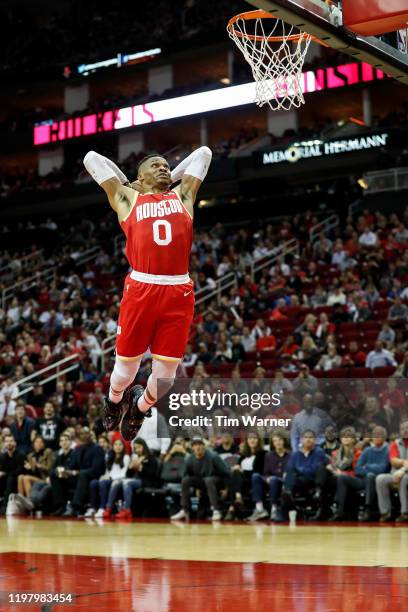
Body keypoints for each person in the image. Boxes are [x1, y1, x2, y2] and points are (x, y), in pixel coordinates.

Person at [83, 146, 212, 441]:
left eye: (166, 165)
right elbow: (92, 157)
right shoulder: (128, 198)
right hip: (142, 286)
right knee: (126, 370)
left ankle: (140, 408)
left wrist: (168, 179)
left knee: (166, 378)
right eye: (155, 165)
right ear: (140, 176)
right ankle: (115, 401)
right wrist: (133, 185)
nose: (164, 168)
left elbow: (204, 153)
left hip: (178, 289)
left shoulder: (183, 195)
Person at [171, 437, 230, 521]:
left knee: (208, 480)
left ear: (204, 446)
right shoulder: (189, 459)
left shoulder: (213, 456)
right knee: (185, 480)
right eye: (195, 445)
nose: (198, 447)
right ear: (192, 448)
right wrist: (197, 488)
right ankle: (184, 510)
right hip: (203, 482)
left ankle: (216, 510)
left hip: (218, 481)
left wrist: (226, 488)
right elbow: (187, 475)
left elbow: (226, 473)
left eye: (200, 444)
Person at [112, 438, 160, 520]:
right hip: (136, 480)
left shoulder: (151, 458)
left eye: (139, 447)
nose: (137, 449)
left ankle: (127, 509)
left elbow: (152, 473)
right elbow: (128, 475)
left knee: (127, 483)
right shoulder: (135, 458)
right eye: (135, 448)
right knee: (117, 483)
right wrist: (130, 467)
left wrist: (140, 468)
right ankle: (110, 508)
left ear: (144, 447)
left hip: (147, 481)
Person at [62, 427, 105, 517]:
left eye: (86, 433)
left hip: (94, 475)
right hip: (81, 476)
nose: (84, 436)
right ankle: (59, 506)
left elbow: (97, 469)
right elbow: (71, 465)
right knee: (55, 475)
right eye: (82, 434)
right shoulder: (78, 449)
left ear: (90, 435)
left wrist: (78, 472)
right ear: (79, 436)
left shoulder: (97, 448)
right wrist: (64, 471)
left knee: (82, 474)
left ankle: (75, 506)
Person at [251, 432, 291, 521]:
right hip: (271, 479)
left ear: (284, 441)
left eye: (280, 440)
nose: (278, 443)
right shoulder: (269, 455)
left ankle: (274, 508)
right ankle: (259, 508)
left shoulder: (290, 455)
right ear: (273, 443)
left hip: (283, 481)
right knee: (255, 476)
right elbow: (266, 472)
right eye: (275, 441)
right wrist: (267, 478)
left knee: (273, 479)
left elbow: (291, 472)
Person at [225, 432, 266, 521]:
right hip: (242, 482)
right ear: (247, 441)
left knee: (236, 476)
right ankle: (237, 499)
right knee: (234, 473)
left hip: (254, 481)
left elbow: (259, 471)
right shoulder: (243, 455)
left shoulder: (263, 454)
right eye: (250, 438)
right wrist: (237, 468)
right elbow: (238, 467)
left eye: (255, 438)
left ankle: (232, 509)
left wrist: (242, 471)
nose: (252, 440)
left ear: (259, 440)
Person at [282, 430, 327, 510]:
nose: (308, 439)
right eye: (305, 437)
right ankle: (288, 494)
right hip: (298, 480)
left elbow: (314, 470)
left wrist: (299, 470)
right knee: (290, 474)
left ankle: (288, 493)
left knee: (294, 475)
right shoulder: (295, 454)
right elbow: (289, 469)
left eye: (310, 437)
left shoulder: (319, 452)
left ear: (315, 440)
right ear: (301, 440)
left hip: (312, 480)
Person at [86, 438, 130, 518]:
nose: (118, 446)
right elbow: (108, 471)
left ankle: (102, 508)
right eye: (116, 445)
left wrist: (109, 477)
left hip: (119, 480)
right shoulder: (110, 456)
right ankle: (92, 508)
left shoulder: (126, 457)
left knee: (102, 483)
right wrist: (104, 476)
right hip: (110, 478)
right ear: (112, 446)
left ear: (123, 447)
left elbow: (123, 473)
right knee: (93, 483)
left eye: (120, 445)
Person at [376, 420, 408, 523]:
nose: (405, 431)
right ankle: (386, 513)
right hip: (395, 474)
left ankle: (405, 513)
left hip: (405, 475)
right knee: (380, 478)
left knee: (404, 479)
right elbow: (393, 461)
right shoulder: (395, 443)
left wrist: (403, 470)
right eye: (402, 429)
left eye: (407, 428)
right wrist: (404, 463)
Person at [356, 427, 390, 521]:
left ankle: (368, 509)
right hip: (365, 479)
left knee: (370, 476)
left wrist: (367, 466)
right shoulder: (367, 450)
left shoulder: (388, 450)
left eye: (380, 435)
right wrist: (371, 468)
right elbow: (357, 468)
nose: (377, 437)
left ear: (385, 437)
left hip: (381, 480)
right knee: (368, 476)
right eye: (375, 435)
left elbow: (382, 469)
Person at [0, 434, 25, 514]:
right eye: (6, 441)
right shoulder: (2, 456)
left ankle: (5, 505)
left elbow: (19, 470)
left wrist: (5, 473)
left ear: (15, 443)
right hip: (6, 479)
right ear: (4, 444)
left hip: (17, 479)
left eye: (11, 441)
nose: (9, 443)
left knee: (10, 478)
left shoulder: (21, 455)